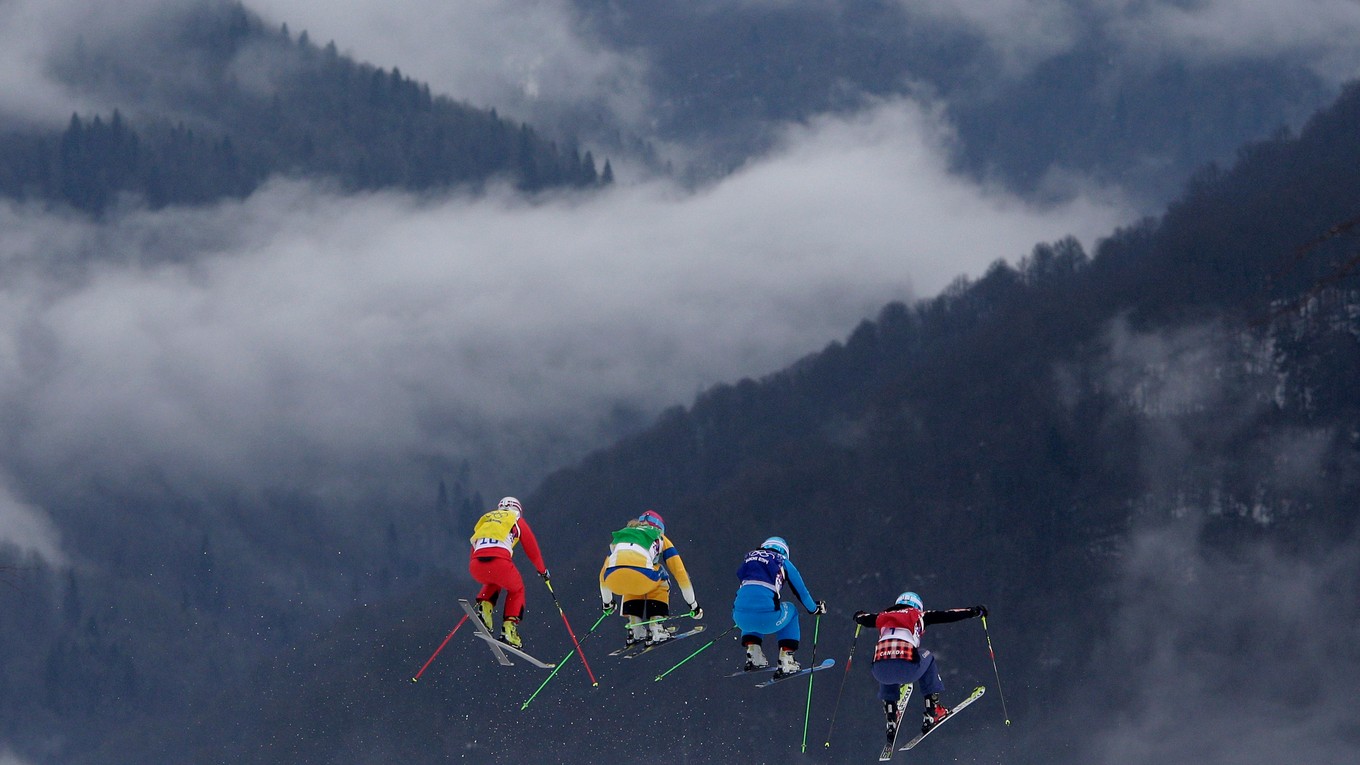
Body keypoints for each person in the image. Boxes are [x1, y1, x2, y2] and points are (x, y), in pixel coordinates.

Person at [853, 592, 987, 740]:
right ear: (917, 606)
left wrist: (859, 615)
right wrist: (974, 611)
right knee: (927, 656)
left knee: (885, 657)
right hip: (908, 669)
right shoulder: (919, 614)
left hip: (879, 672)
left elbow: (862, 618)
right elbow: (949, 615)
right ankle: (933, 710)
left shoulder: (881, 616)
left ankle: (891, 714)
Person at [599, 510, 702, 647]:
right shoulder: (660, 537)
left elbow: (602, 576)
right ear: (660, 528)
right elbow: (680, 574)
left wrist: (608, 603)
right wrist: (693, 605)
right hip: (643, 577)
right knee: (661, 576)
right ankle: (656, 626)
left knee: (631, 579)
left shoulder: (622, 536)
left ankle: (635, 627)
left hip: (613, 580)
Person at [731, 536, 826, 676]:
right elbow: (802, 594)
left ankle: (754, 654)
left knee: (755, 608)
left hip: (739, 619)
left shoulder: (749, 559)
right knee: (792, 610)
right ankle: (786, 660)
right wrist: (815, 609)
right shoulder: (782, 561)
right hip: (767, 619)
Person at [468, 496, 549, 649]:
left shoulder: (487, 519)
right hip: (500, 563)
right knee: (517, 589)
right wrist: (542, 571)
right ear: (518, 510)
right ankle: (509, 628)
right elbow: (533, 550)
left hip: (476, 565)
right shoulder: (516, 520)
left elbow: (475, 545)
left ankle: (485, 607)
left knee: (494, 580)